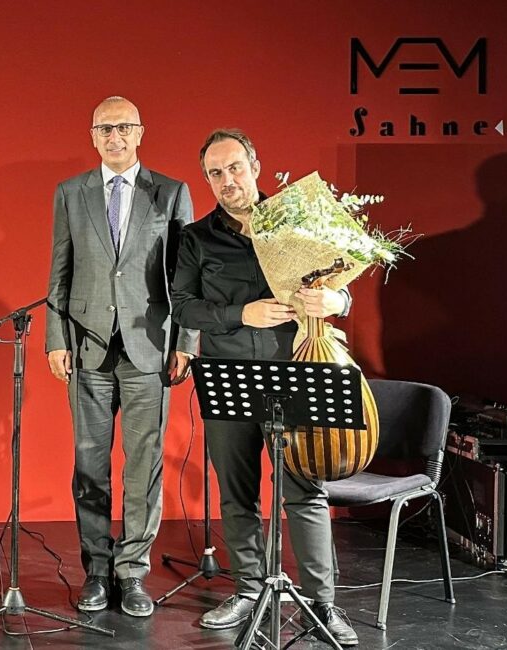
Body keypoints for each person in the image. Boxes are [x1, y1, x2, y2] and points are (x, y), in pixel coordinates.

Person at [170, 128, 357, 646]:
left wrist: (335, 304)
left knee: (305, 491)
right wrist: (239, 313)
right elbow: (182, 306)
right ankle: (250, 588)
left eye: (234, 167)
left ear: (254, 163)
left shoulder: (299, 222)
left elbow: (343, 290)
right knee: (237, 494)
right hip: (228, 374)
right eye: (215, 173)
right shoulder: (195, 237)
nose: (227, 181)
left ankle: (323, 603)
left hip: (298, 369)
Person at [45, 96, 197, 618]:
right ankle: (96, 570)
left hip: (148, 350)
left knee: (142, 469)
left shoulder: (171, 193)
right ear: (92, 136)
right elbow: (58, 273)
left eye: (124, 127)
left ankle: (132, 573)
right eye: (105, 128)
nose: (115, 136)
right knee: (89, 466)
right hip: (87, 348)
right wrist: (55, 339)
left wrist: (185, 343)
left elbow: (186, 279)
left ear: (140, 132)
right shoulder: (70, 193)